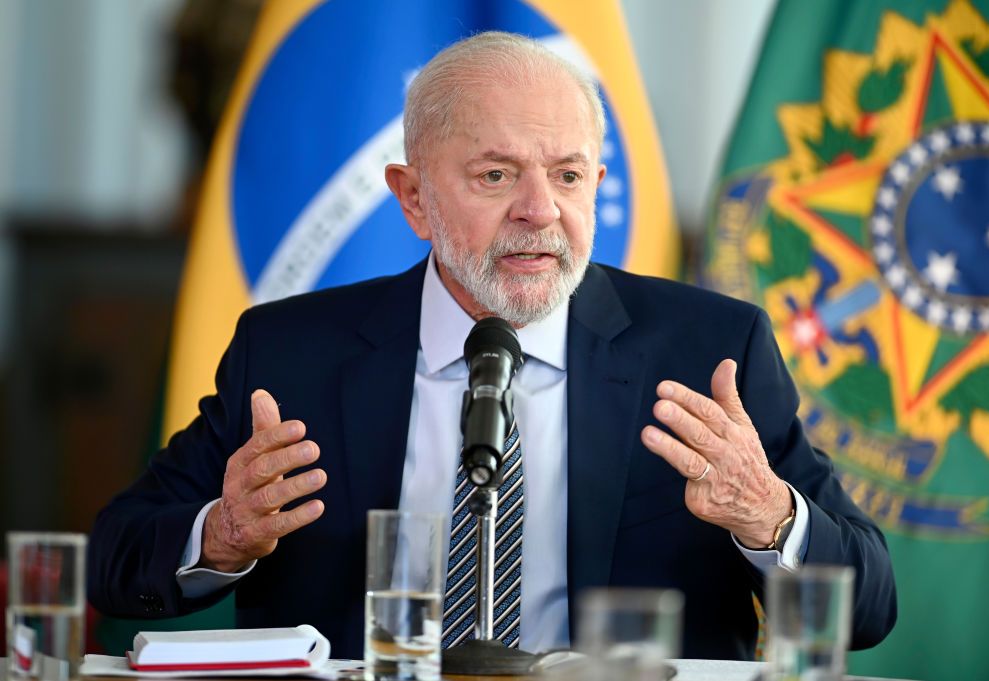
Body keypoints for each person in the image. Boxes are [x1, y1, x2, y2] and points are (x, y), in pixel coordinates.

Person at [88, 31, 896, 660]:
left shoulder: (709, 351)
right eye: (497, 175)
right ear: (413, 197)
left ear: (598, 188)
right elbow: (112, 564)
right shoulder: (291, 355)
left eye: (570, 175)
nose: (541, 211)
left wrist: (768, 516)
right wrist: (219, 534)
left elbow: (870, 604)